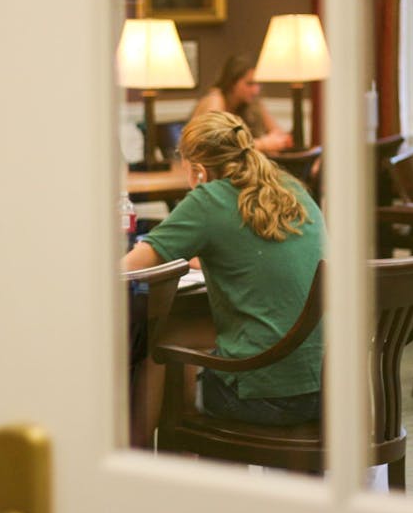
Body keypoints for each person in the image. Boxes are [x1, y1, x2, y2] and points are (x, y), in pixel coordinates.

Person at [123, 110, 324, 447]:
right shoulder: (291, 188)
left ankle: (139, 459)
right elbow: (251, 253)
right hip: (327, 390)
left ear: (198, 169)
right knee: (182, 334)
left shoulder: (208, 198)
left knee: (162, 346)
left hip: (265, 399)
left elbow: (130, 267)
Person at [190, 55, 292, 154]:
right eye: (249, 84)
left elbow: (278, 132)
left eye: (258, 84)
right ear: (232, 83)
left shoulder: (252, 102)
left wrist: (278, 140)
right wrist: (263, 144)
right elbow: (217, 146)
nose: (256, 90)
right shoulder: (215, 100)